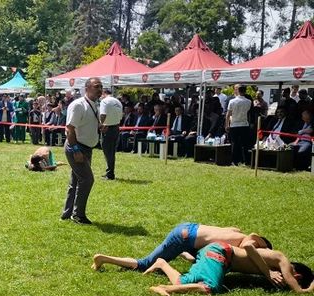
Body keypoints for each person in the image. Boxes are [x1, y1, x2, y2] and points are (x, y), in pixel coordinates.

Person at [146, 240, 314, 296]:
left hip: (217, 254)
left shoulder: (276, 261)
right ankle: (163, 288)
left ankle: (161, 263)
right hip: (220, 253)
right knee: (210, 289)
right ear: (297, 275)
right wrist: (268, 272)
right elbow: (248, 246)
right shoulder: (282, 259)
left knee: (182, 281)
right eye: (293, 279)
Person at [91, 223, 271, 272]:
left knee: (194, 258)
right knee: (145, 264)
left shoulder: (236, 233)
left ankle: (181, 252)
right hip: (184, 237)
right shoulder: (250, 241)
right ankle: (103, 259)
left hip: (188, 229)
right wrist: (267, 271)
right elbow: (249, 245)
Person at [61, 77, 103, 225]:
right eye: (96, 86)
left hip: (86, 148)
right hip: (76, 147)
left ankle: (67, 213)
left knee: (76, 181)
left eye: (101, 87)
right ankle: (78, 215)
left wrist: (99, 127)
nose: (100, 89)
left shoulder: (94, 105)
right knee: (87, 179)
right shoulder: (79, 105)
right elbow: (69, 129)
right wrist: (76, 150)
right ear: (87, 88)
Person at [99, 88, 123, 180]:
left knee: (108, 152)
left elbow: (103, 115)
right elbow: (121, 116)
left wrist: (101, 124)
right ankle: (110, 171)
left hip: (107, 128)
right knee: (111, 152)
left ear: (104, 93)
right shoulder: (118, 102)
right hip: (116, 127)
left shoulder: (104, 101)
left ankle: (110, 173)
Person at [226, 84, 252, 166]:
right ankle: (246, 161)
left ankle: (234, 161)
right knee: (245, 144)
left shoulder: (232, 101)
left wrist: (227, 124)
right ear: (245, 91)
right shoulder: (249, 102)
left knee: (235, 143)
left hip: (234, 124)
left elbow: (228, 114)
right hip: (244, 124)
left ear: (238, 91)